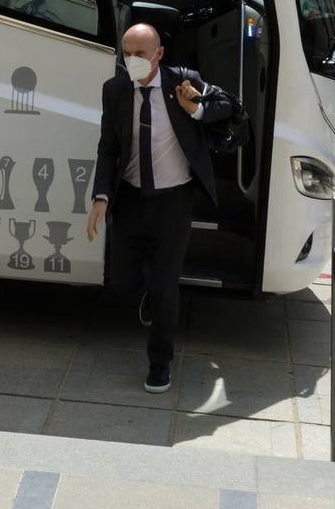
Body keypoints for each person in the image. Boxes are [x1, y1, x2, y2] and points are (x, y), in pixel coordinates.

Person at [86, 23, 232, 394]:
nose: (132, 60)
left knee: (168, 286)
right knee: (121, 281)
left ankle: (159, 363)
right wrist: (101, 196)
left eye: (140, 53)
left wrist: (194, 109)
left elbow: (225, 106)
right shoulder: (115, 90)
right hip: (131, 198)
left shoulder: (183, 82)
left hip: (174, 200)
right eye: (126, 53)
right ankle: (148, 291)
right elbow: (108, 147)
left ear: (159, 54)